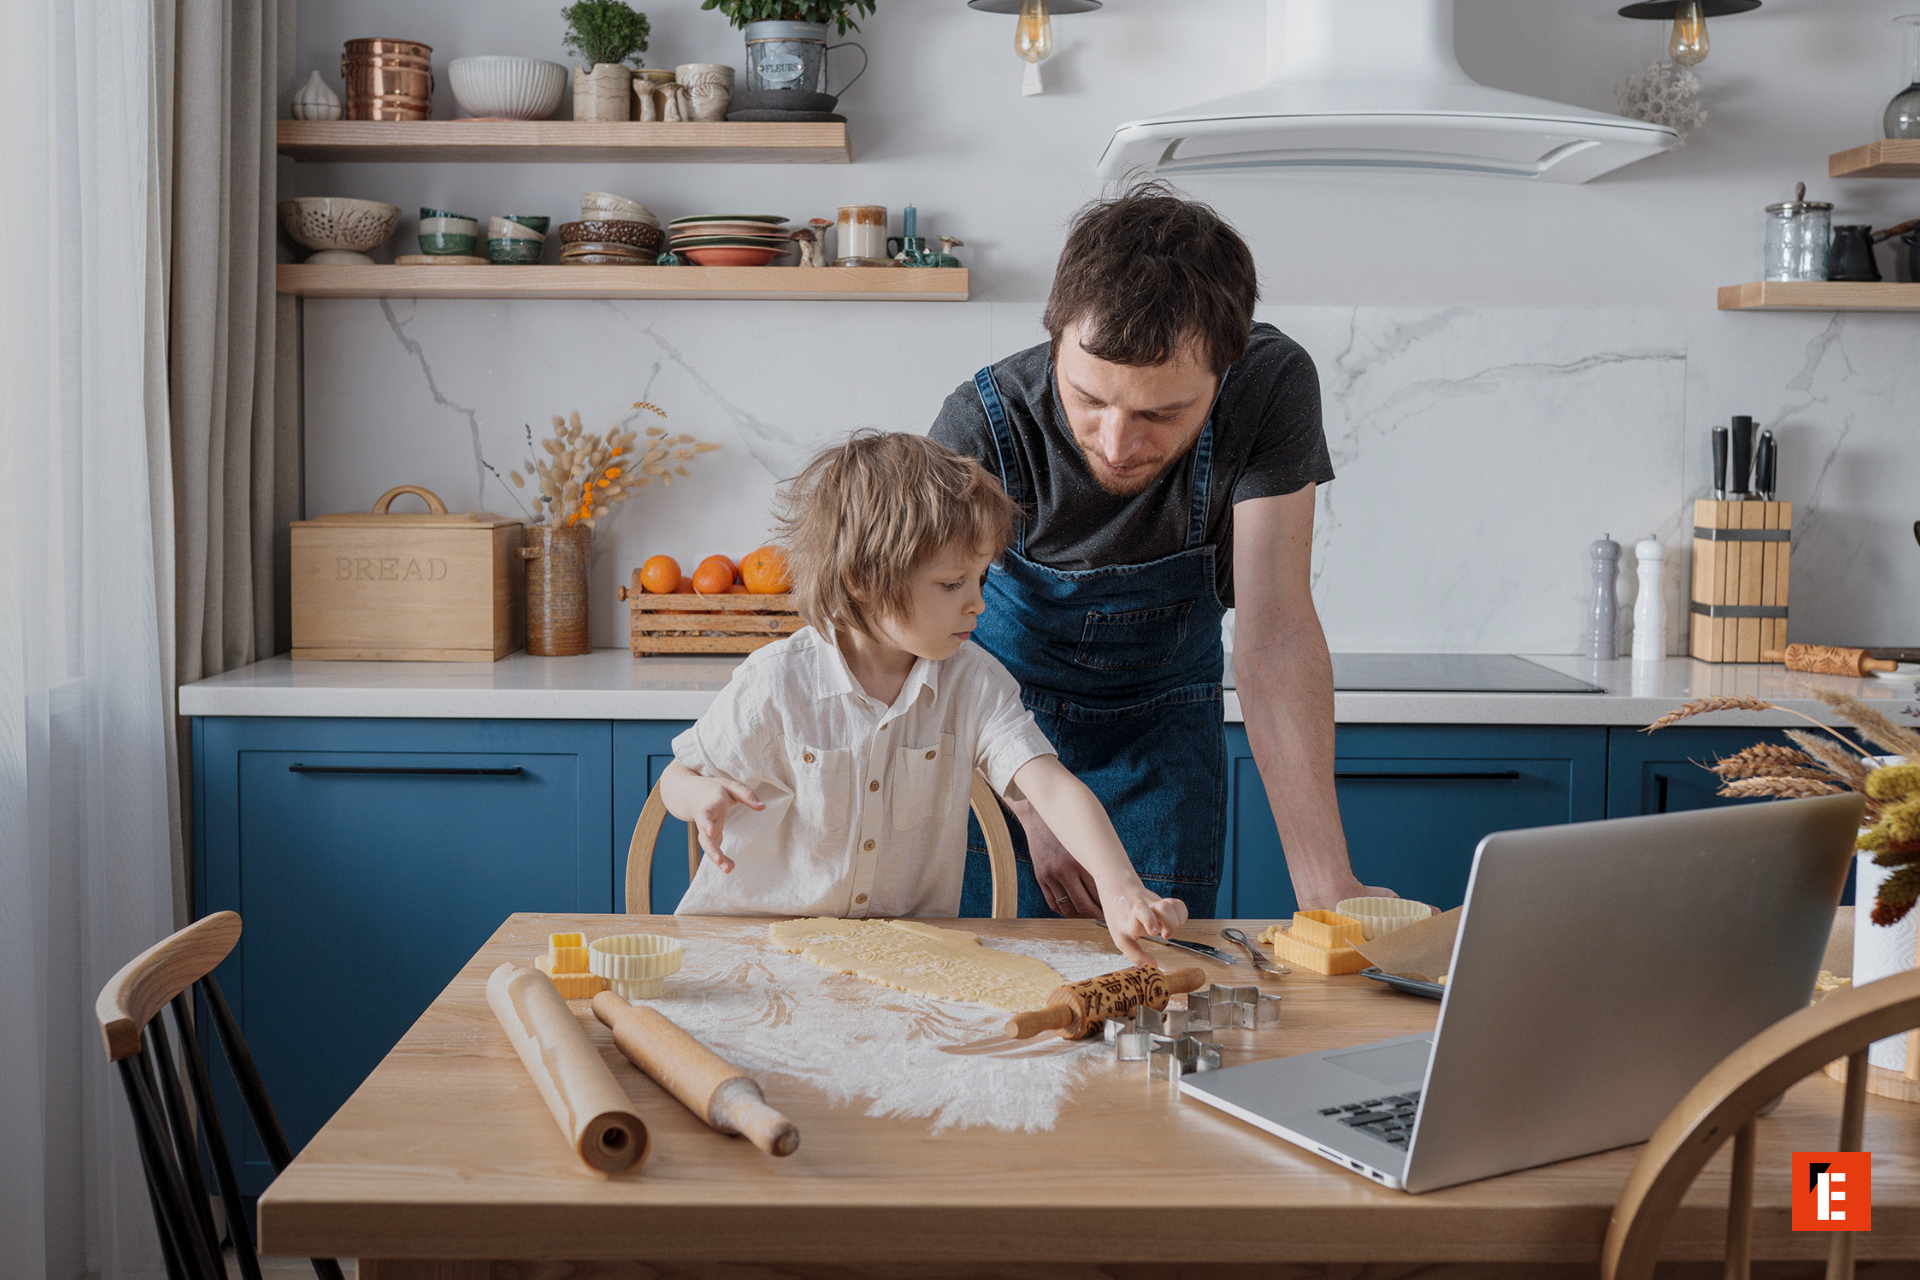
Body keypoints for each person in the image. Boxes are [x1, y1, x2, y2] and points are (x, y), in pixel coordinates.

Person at [931, 183, 1391, 921]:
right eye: (1088, 398)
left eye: (1161, 413)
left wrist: (1326, 890)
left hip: (1162, 743)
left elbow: (1274, 632)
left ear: (1225, 371)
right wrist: (1034, 809)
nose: (1116, 444)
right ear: (1055, 337)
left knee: (1154, 1005)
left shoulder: (1271, 389)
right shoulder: (984, 424)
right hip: (997, 747)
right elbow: (929, 652)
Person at [659, 431, 1188, 964]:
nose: (978, 604)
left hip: (899, 956)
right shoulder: (778, 682)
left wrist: (1121, 887)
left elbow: (1049, 787)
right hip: (746, 950)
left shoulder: (974, 683)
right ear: (862, 578)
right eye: (952, 583)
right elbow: (674, 780)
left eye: (981, 579)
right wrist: (698, 799)